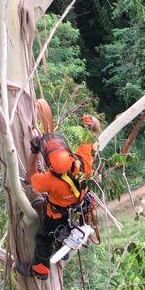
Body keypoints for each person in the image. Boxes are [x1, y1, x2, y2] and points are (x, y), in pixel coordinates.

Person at [17, 113, 100, 279]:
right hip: (79, 209)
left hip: (56, 215)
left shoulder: (48, 180)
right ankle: (64, 248)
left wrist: (34, 152)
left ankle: (39, 271)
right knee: (67, 229)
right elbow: (94, 134)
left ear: (49, 163)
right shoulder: (82, 164)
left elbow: (30, 175)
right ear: (68, 154)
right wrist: (93, 124)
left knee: (43, 240)